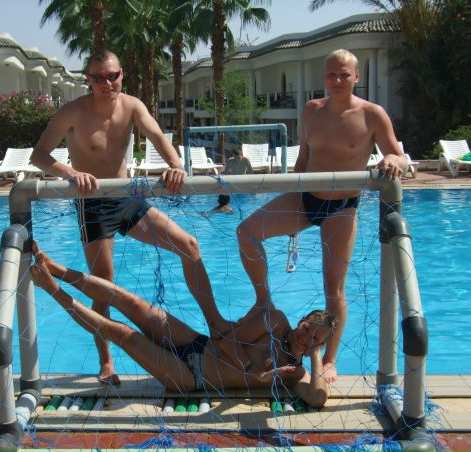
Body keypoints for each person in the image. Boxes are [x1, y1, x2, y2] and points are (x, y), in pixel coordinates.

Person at [30, 48, 232, 384]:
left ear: (122, 74)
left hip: (128, 199)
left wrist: (176, 166)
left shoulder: (132, 105)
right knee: (103, 285)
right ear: (88, 80)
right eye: (99, 78)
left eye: (113, 76)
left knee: (189, 245)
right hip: (93, 205)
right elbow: (39, 155)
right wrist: (71, 173)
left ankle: (216, 325)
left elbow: (158, 136)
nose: (107, 83)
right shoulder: (73, 112)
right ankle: (106, 359)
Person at [236, 49, 407, 383]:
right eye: (331, 74)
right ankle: (263, 302)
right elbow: (303, 160)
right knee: (246, 232)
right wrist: (290, 198)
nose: (338, 80)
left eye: (344, 74)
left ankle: (330, 359)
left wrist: (391, 160)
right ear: (324, 77)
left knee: (334, 288)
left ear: (356, 77)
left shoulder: (372, 114)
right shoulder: (311, 110)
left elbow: (398, 156)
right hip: (305, 199)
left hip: (342, 208)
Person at [30, 242, 337, 408]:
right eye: (307, 328)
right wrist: (256, 375)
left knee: (120, 333)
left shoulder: (295, 373)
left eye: (315, 339)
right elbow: (225, 341)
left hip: (191, 377)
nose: (307, 337)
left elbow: (318, 398)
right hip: (197, 343)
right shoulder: (276, 320)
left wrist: (313, 358)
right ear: (301, 321)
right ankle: (57, 270)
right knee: (130, 301)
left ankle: (50, 288)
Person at [207, 149, 253, 215]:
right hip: (233, 181)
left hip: (242, 181)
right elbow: (225, 173)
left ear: (242, 156)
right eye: (235, 157)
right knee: (231, 201)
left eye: (238, 158)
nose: (236, 159)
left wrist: (251, 184)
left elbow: (251, 172)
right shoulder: (230, 161)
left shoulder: (246, 160)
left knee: (243, 201)